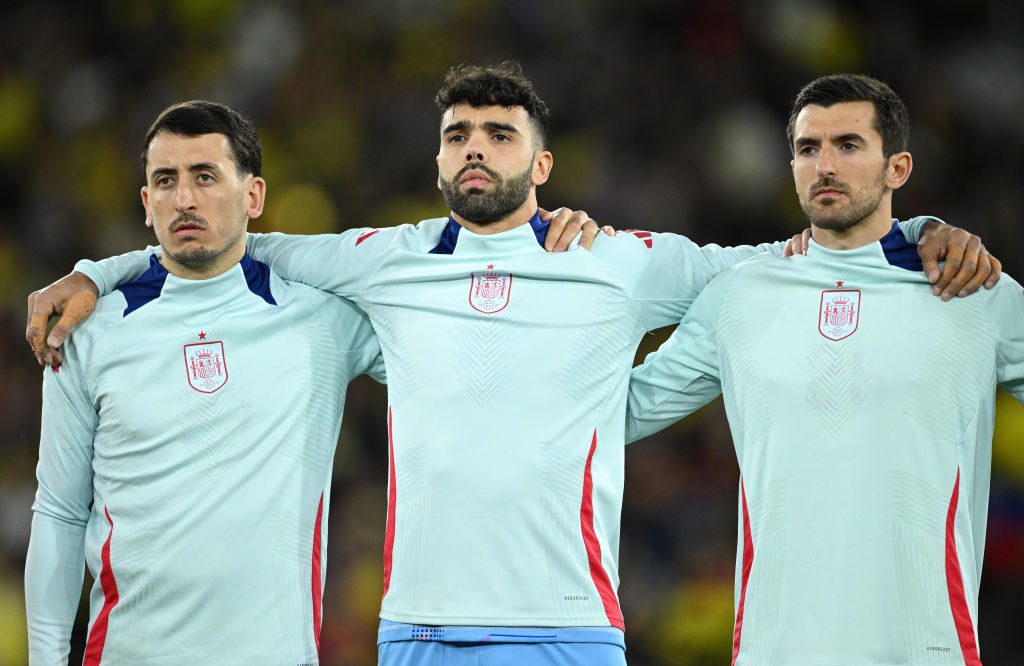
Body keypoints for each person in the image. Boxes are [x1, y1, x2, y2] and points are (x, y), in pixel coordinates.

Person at [25, 64, 997, 666]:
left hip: (568, 628)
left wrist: (913, 233)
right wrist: (92, 271)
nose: (475, 149)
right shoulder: (383, 260)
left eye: (500, 135)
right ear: (439, 162)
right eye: (458, 135)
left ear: (542, 166)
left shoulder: (614, 259)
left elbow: (791, 259)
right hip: (415, 631)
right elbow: (230, 243)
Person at [625, 74, 1023, 665]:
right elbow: (619, 410)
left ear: (898, 168)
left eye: (849, 145)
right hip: (775, 648)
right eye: (808, 149)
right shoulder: (739, 296)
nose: (825, 165)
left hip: (923, 647)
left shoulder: (971, 289)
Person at [22, 101, 390, 663]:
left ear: (254, 197)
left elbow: (445, 342)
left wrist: (550, 245)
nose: (184, 199)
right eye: (165, 181)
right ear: (147, 203)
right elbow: (59, 512)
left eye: (205, 177)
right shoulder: (88, 332)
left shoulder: (322, 321)